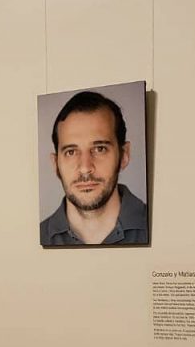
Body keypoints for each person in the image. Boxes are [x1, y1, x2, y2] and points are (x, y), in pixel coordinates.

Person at [40, 91, 149, 246]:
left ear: (124, 155)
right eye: (71, 152)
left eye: (99, 149)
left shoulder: (161, 227)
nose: (85, 168)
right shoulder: (35, 239)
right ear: (55, 164)